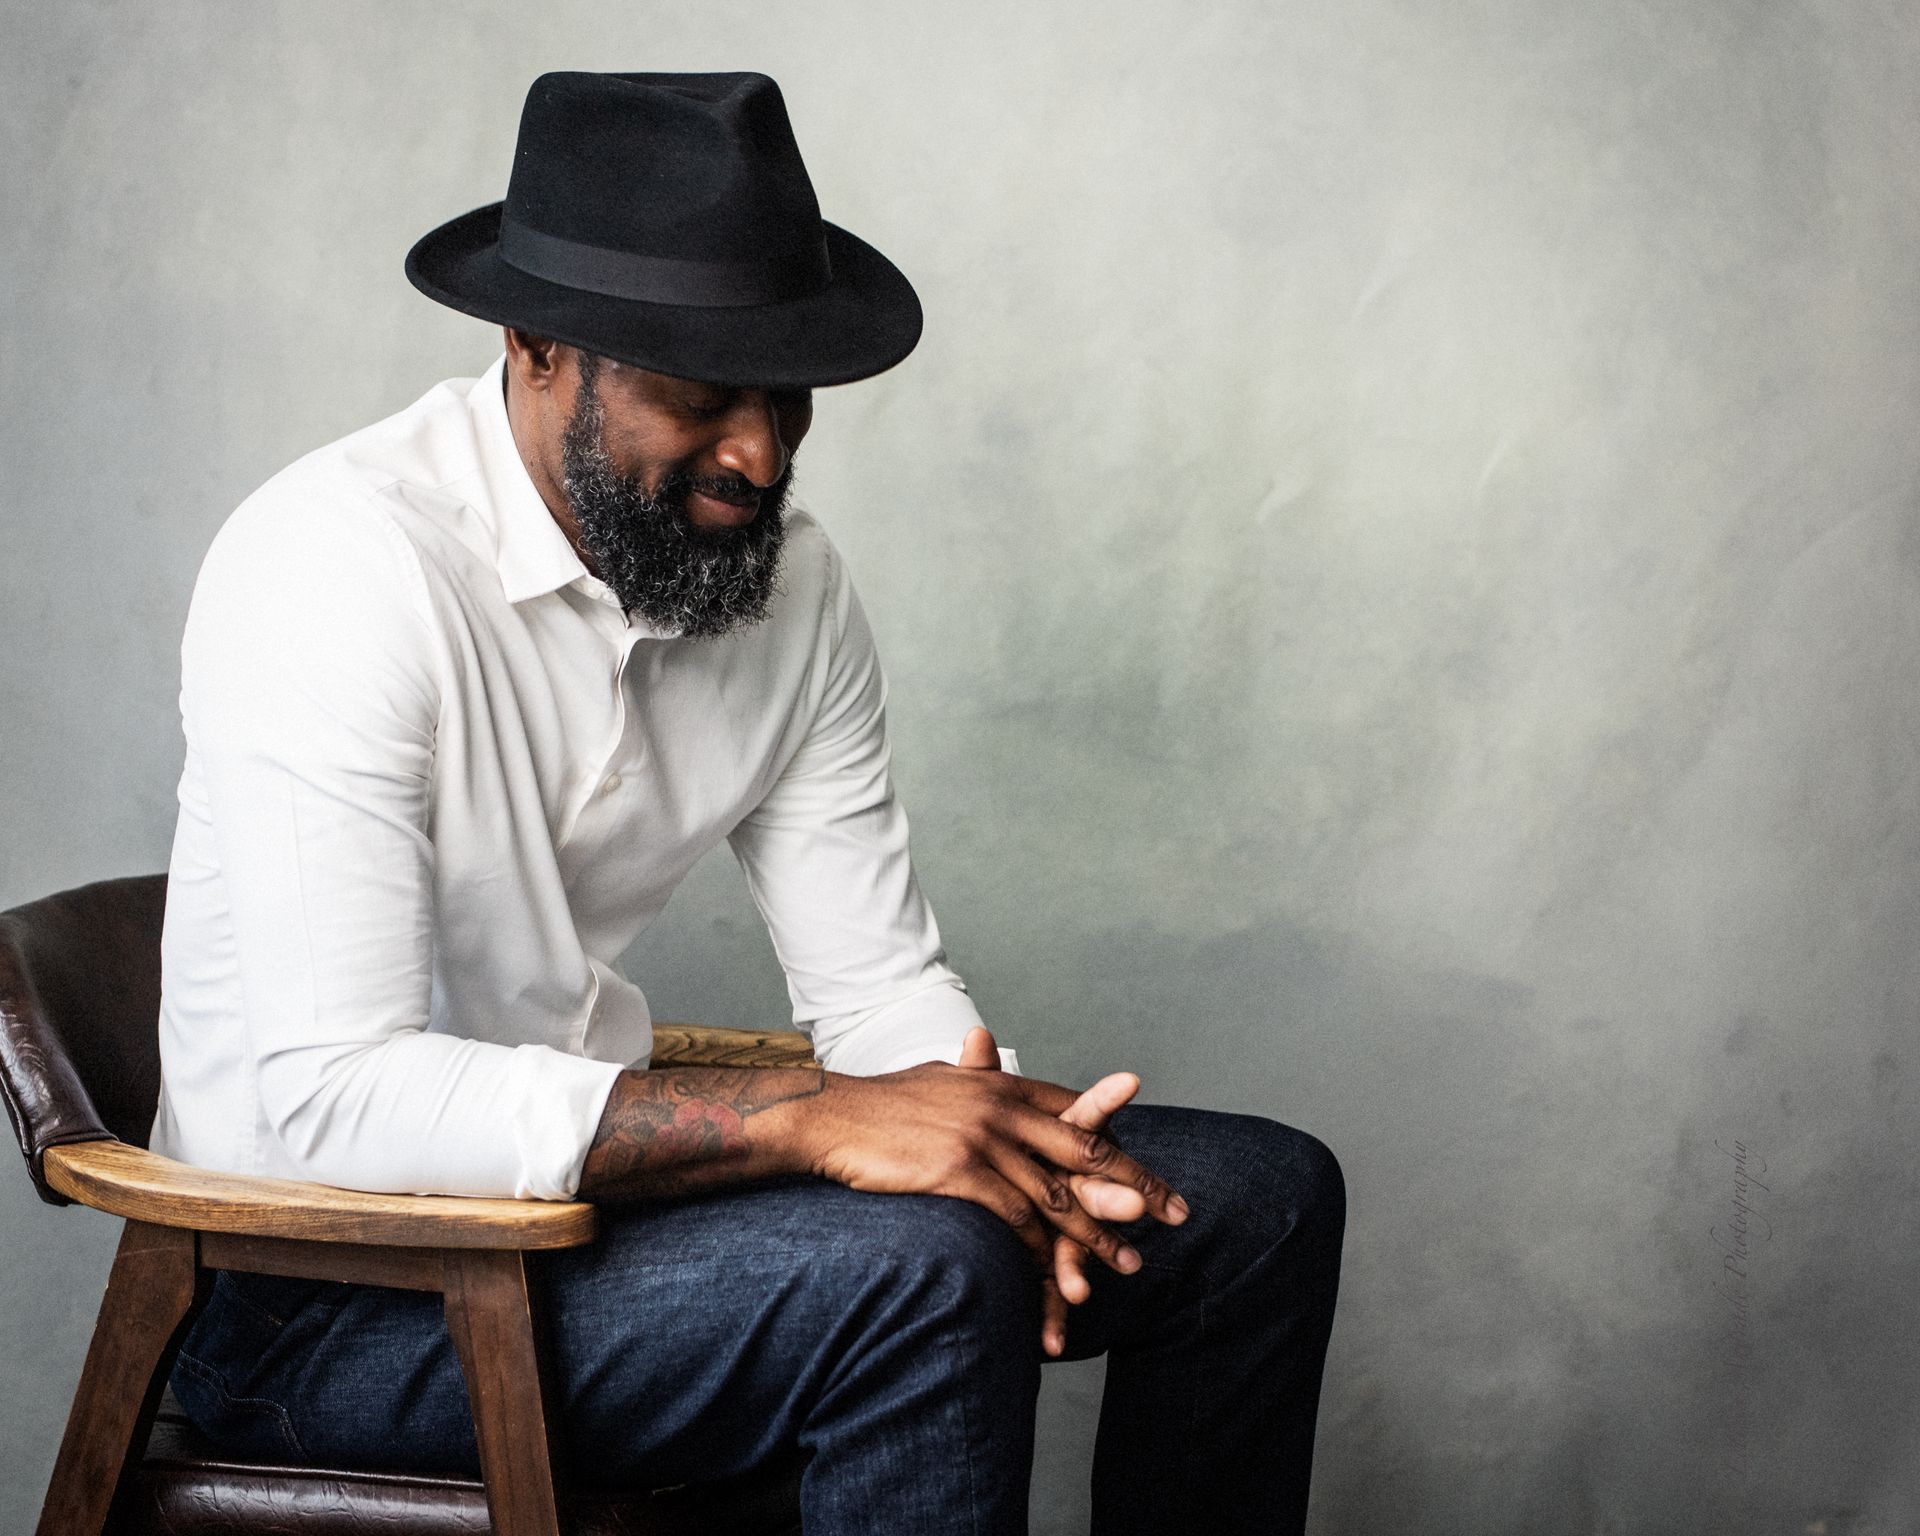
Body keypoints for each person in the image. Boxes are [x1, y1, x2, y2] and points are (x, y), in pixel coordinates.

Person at [155, 70, 1345, 1535]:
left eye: (786, 394)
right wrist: (810, 1121)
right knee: (927, 1273)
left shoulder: (792, 587)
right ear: (535, 346)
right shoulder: (336, 570)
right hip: (340, 1295)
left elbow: (880, 987)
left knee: (1258, 1205)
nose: (760, 456)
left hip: (601, 1222)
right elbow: (332, 1105)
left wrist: (1005, 1152)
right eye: (700, 398)